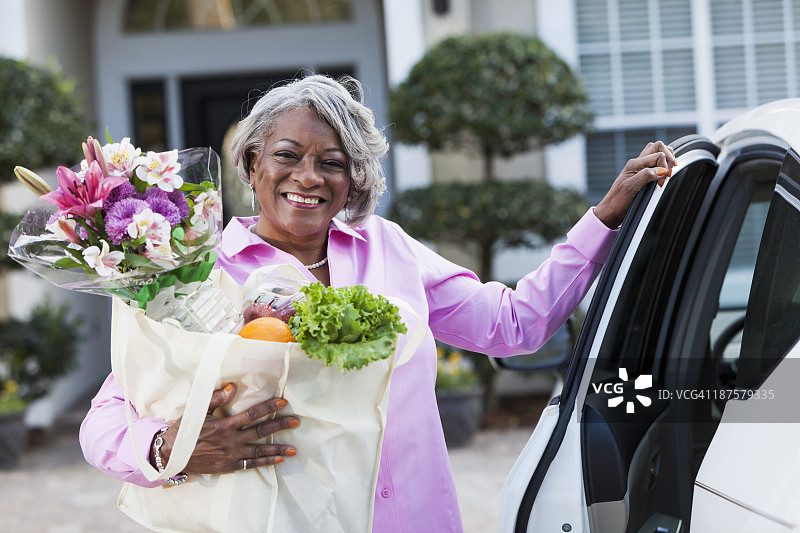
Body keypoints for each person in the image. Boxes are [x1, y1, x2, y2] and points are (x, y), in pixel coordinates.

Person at [79, 74, 676, 532]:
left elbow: (513, 324)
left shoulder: (388, 248)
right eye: (288, 155)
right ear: (253, 162)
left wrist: (603, 221)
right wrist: (176, 449)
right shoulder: (195, 268)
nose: (308, 176)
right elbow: (106, 418)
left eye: (332, 163)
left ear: (354, 179)